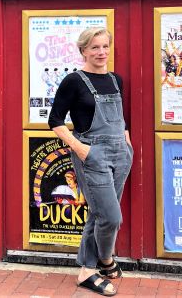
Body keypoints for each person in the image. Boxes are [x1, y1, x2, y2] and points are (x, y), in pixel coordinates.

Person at [48, 27, 133, 297]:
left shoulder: (116, 79)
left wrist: (126, 140)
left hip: (120, 154)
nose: (101, 52)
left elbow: (121, 116)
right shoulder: (74, 81)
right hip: (92, 153)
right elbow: (55, 121)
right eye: (95, 47)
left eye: (105, 46)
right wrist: (80, 149)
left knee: (99, 213)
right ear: (83, 50)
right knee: (110, 216)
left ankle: (92, 268)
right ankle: (102, 262)